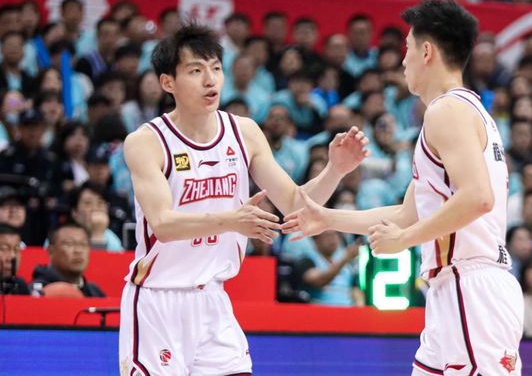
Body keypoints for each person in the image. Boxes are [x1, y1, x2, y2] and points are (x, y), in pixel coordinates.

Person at [283, 0, 523, 375]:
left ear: (426, 51)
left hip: (471, 286)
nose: (402, 60)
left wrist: (405, 240)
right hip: (451, 287)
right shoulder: (461, 112)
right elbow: (406, 214)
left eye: (407, 48)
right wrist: (327, 218)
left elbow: (477, 198)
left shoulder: (447, 110)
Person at [119, 23, 368, 376]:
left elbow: (295, 204)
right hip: (158, 299)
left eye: (216, 68)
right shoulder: (146, 141)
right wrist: (232, 220)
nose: (210, 80)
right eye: (196, 71)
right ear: (167, 82)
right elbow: (163, 224)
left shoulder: (244, 132)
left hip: (213, 298)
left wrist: (335, 170)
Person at [30, 221, 106, 297]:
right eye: (69, 244)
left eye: (83, 244)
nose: (78, 250)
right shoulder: (39, 291)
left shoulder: (94, 292)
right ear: (51, 251)